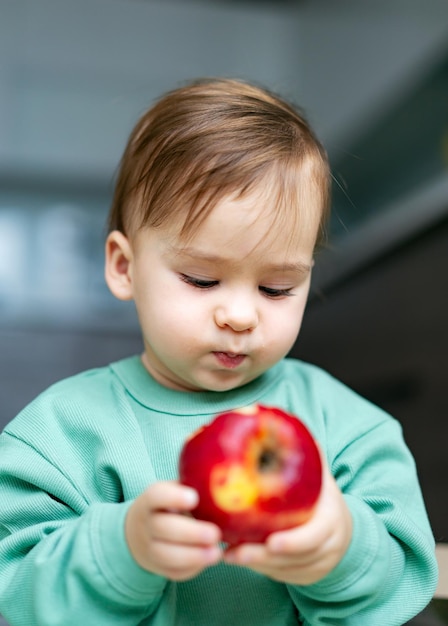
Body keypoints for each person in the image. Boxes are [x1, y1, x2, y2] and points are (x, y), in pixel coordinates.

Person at [0, 78, 437, 626]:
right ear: (123, 266)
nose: (241, 315)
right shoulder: (59, 435)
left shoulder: (348, 427)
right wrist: (122, 550)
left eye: (277, 288)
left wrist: (343, 551)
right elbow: (12, 588)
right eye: (202, 279)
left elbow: (408, 580)